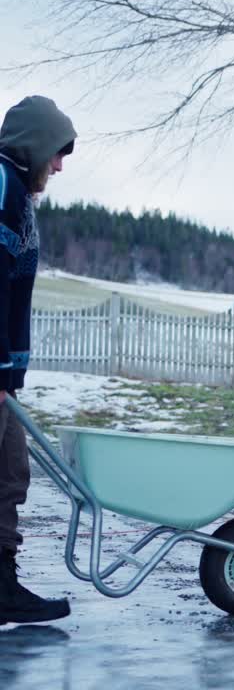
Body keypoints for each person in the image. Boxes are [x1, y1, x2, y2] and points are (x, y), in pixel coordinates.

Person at [0, 96, 75, 625]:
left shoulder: (15, 192)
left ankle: (1, 585)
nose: (59, 164)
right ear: (33, 145)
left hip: (3, 375)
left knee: (9, 471)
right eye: (56, 151)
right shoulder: (2, 186)